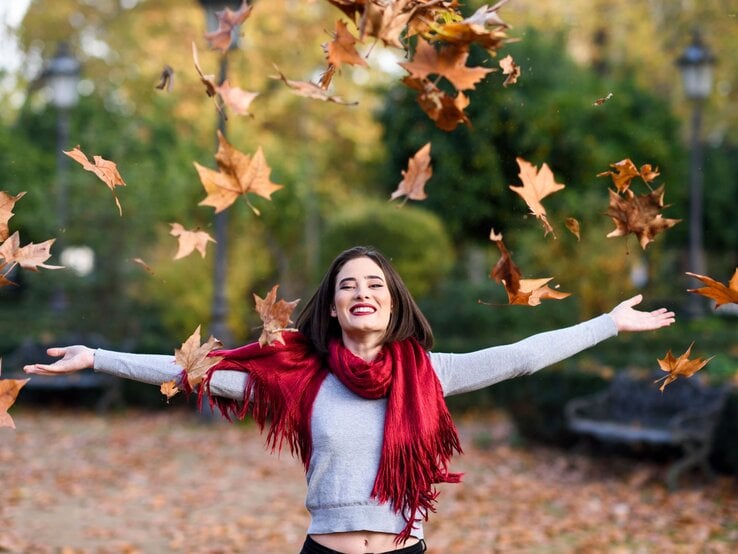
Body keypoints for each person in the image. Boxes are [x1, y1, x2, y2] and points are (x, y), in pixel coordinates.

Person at [25, 245, 675, 554]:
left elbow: (523, 355)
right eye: (347, 286)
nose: (361, 291)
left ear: (391, 303)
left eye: (374, 283)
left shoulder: (430, 372)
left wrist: (609, 323)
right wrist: (99, 357)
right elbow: (194, 367)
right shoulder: (298, 377)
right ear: (333, 308)